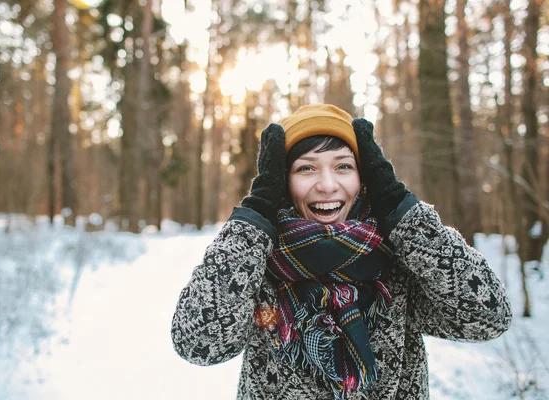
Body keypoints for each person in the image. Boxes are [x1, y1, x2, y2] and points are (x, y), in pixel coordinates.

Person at [171, 104, 512, 400]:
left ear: (363, 179)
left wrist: (400, 208)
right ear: (283, 183)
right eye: (306, 168)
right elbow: (199, 343)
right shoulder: (255, 265)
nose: (328, 185)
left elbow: (487, 318)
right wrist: (255, 217)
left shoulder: (400, 260)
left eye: (343, 166)